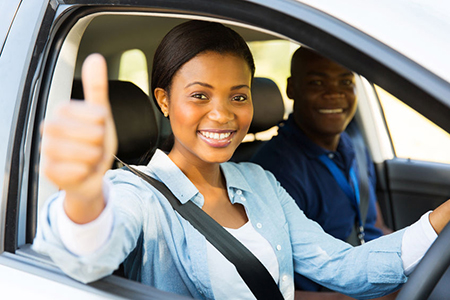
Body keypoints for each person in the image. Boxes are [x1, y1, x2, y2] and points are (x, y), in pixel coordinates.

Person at [33, 21, 450, 300]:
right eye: (199, 95)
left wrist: (441, 217)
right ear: (163, 100)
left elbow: (341, 265)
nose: (223, 114)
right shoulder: (137, 194)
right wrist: (85, 201)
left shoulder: (259, 181)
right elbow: (87, 257)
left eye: (238, 95)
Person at [251, 47, 392, 292]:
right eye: (317, 82)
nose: (334, 93)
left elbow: (375, 226)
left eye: (346, 82)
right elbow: (272, 286)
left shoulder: (354, 145)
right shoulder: (275, 170)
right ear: (292, 88)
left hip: (372, 274)